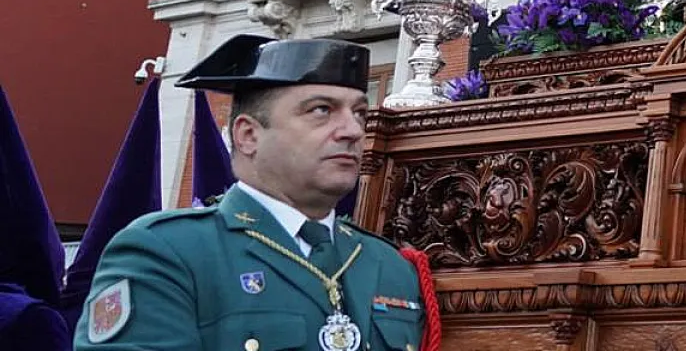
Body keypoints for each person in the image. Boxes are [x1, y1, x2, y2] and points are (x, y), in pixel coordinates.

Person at [73, 36, 428, 351]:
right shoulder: (168, 252)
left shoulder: (391, 266)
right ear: (248, 136)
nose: (353, 130)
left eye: (360, 113)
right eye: (321, 110)